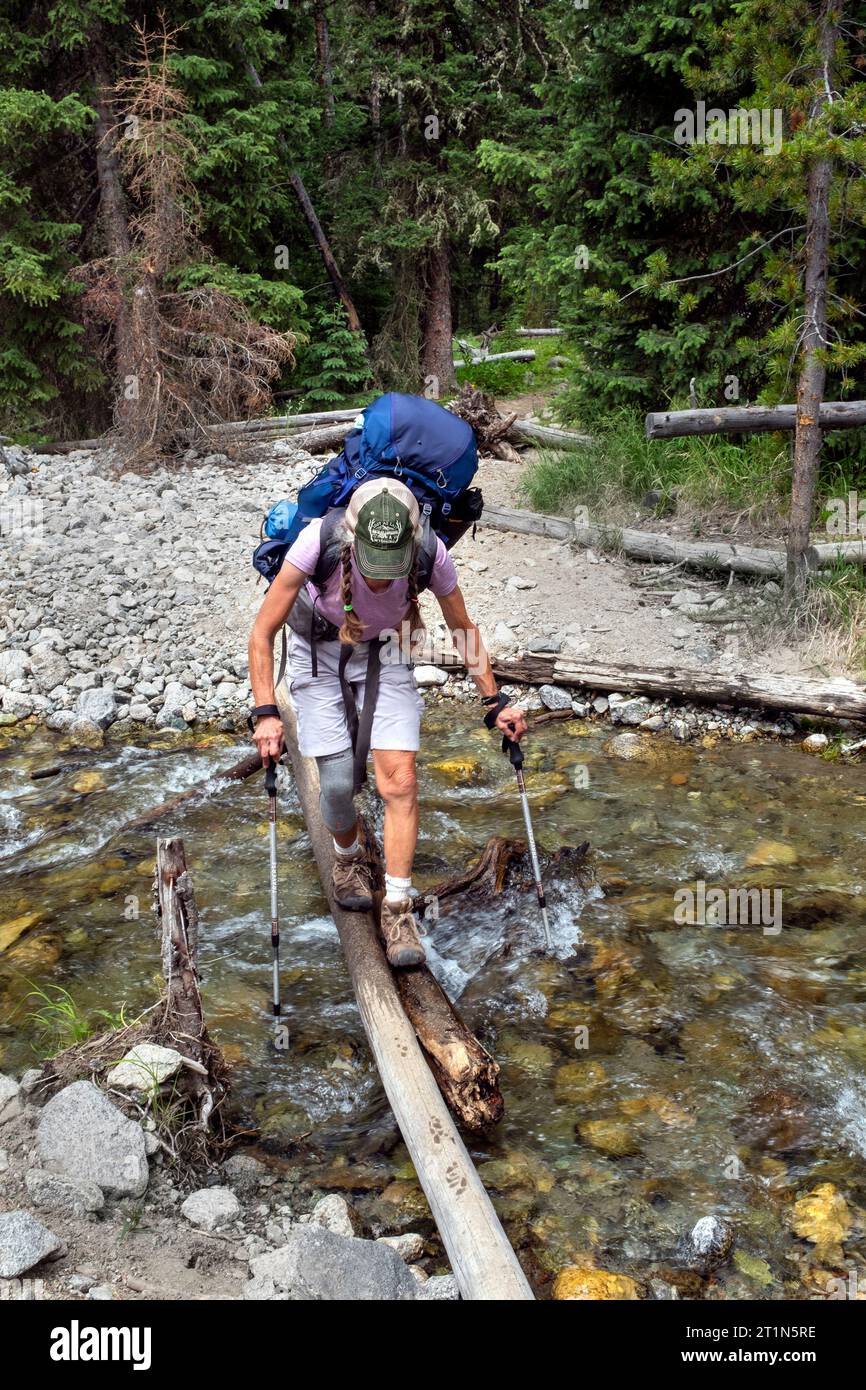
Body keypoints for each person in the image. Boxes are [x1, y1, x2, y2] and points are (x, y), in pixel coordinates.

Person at [248, 477, 527, 968]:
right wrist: (266, 712)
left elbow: (463, 627)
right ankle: (351, 855)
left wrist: (494, 699)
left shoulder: (428, 551)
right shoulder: (318, 540)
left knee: (399, 781)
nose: (381, 579)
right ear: (351, 542)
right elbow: (263, 631)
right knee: (336, 787)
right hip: (319, 652)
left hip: (389, 650)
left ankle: (397, 907)